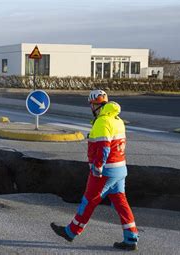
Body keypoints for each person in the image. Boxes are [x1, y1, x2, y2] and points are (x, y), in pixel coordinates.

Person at [51, 89, 139, 251]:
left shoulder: (102, 121)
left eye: (92, 105)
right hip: (120, 168)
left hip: (105, 170)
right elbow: (112, 143)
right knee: (121, 203)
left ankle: (71, 231)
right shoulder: (117, 119)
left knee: (88, 201)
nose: (91, 108)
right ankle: (131, 237)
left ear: (96, 105)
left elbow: (104, 147)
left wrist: (98, 166)